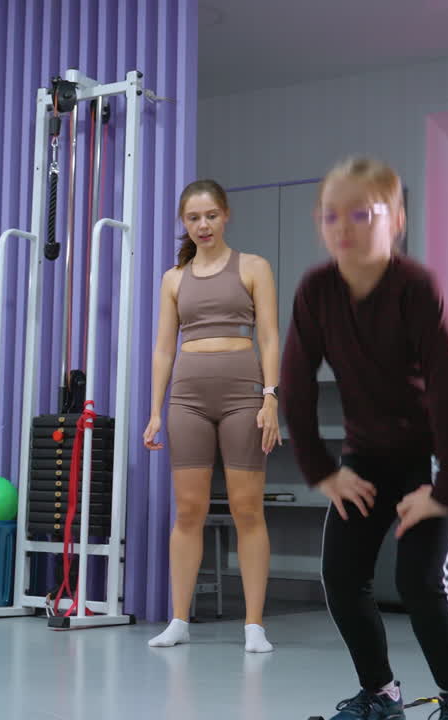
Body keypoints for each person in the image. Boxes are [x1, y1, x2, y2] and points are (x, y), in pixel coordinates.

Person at [280, 156, 448, 720]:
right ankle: (381, 693)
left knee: (419, 580)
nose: (343, 228)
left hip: (436, 455)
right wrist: (323, 470)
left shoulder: (416, 287)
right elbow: (294, 386)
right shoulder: (316, 291)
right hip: (366, 458)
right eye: (329, 217)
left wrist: (445, 488)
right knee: (342, 578)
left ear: (395, 219)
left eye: (360, 214)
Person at [143, 179, 282, 653]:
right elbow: (164, 348)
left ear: (226, 216)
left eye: (210, 216)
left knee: (247, 509)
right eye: (193, 218)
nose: (202, 225)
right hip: (187, 399)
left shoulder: (254, 267)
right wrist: (155, 411)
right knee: (188, 511)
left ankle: (254, 625)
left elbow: (269, 337)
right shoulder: (173, 279)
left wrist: (271, 396)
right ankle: (178, 620)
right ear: (184, 223)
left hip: (245, 394)